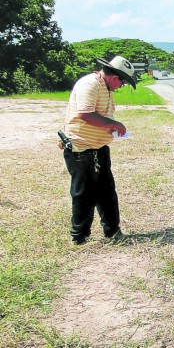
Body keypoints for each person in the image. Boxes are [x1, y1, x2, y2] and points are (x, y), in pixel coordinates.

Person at [60, 56, 136, 245]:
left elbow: (98, 116)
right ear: (114, 77)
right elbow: (85, 114)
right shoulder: (90, 84)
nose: (122, 86)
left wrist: (109, 127)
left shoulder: (106, 87)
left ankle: (112, 231)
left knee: (106, 191)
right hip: (81, 149)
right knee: (83, 193)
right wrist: (113, 123)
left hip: (99, 147)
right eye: (123, 82)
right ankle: (79, 236)